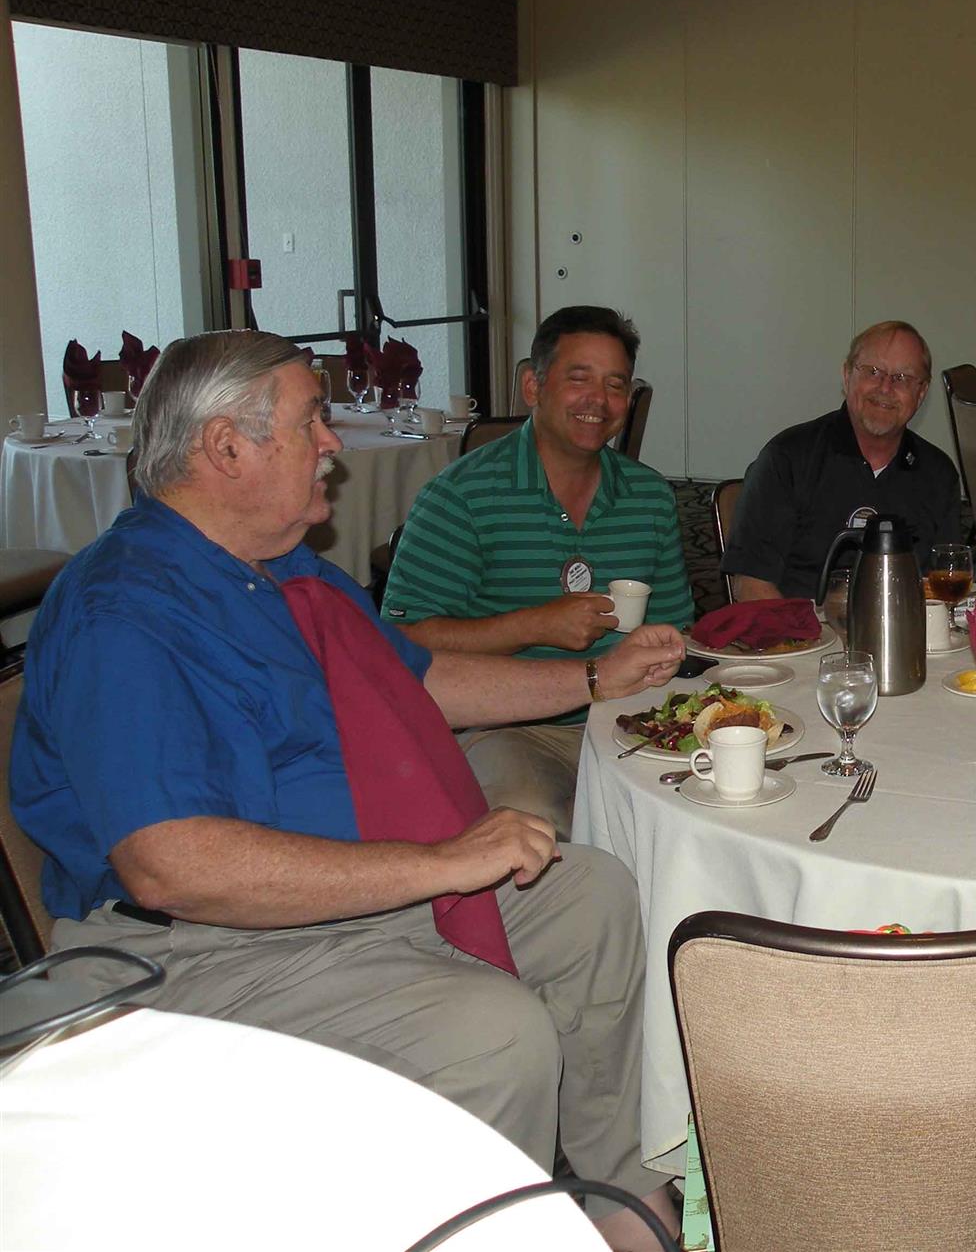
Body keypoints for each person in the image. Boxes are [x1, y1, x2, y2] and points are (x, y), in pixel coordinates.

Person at [10, 331, 685, 1250]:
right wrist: (438, 862)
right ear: (226, 447)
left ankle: (618, 1204)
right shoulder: (126, 611)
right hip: (200, 945)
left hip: (340, 890)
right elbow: (172, 866)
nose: (332, 442)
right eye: (311, 421)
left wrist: (596, 678)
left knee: (592, 893)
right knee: (496, 1031)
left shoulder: (286, 571)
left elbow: (421, 680)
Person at [382, 306, 694, 835]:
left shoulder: (649, 496)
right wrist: (534, 626)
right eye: (579, 379)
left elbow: (676, 626)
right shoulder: (462, 497)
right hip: (509, 726)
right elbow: (404, 643)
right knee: (531, 826)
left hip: (631, 719)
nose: (598, 400)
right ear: (533, 385)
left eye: (615, 384)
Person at [723, 320, 961, 601]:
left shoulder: (939, 474)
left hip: (902, 624)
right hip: (801, 624)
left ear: (921, 393)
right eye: (873, 371)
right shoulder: (787, 459)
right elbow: (751, 585)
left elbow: (944, 582)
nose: (885, 387)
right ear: (847, 375)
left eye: (902, 378)